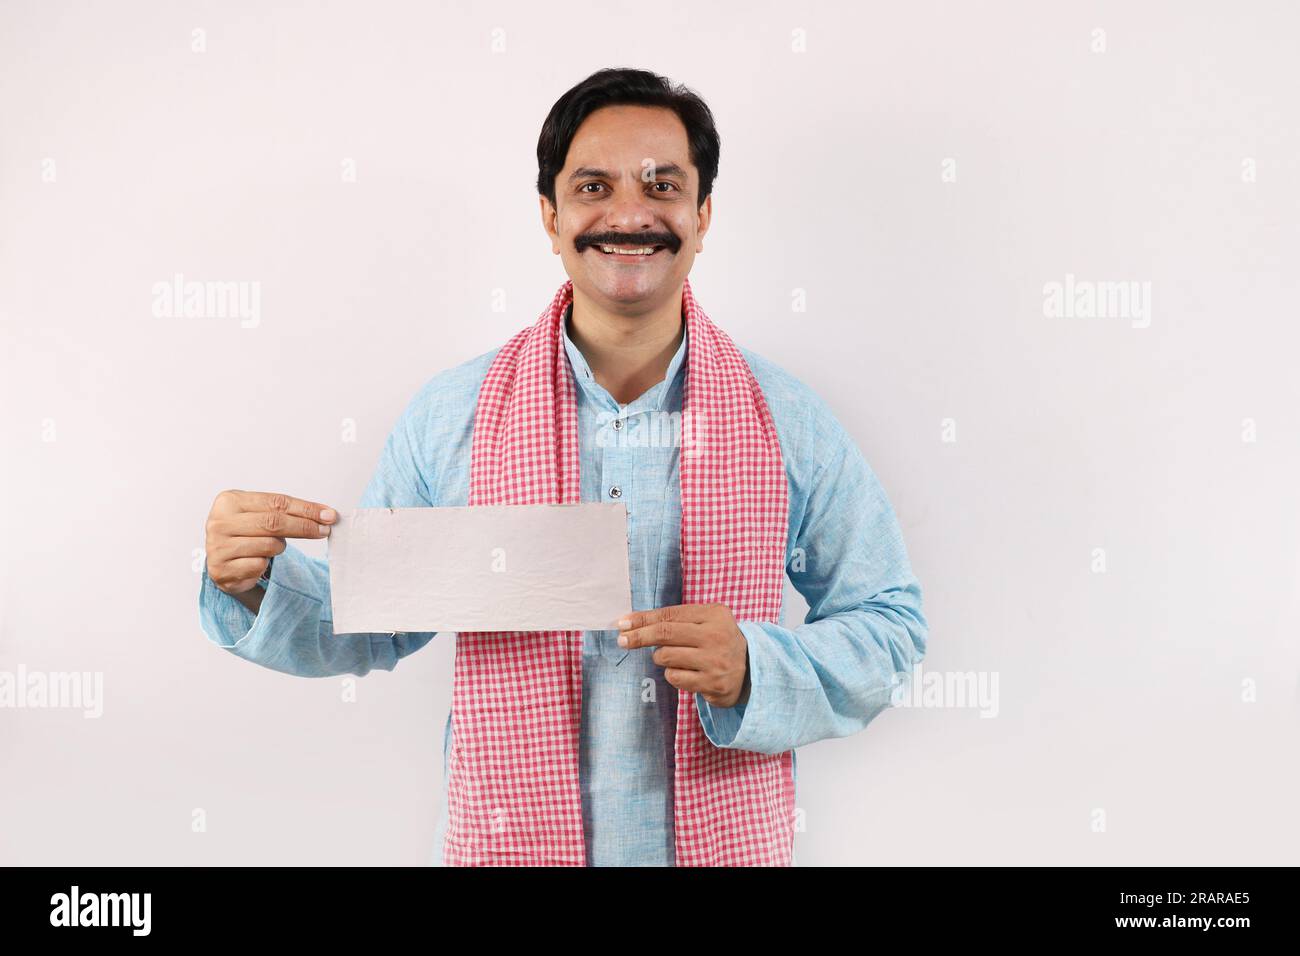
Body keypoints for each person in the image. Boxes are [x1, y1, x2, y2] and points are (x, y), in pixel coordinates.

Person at [199, 67, 928, 866]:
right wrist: (252, 581)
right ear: (551, 216)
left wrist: (759, 664)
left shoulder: (787, 419)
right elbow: (370, 620)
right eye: (592, 186)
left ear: (702, 214)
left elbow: (889, 626)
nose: (629, 213)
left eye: (662, 184)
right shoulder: (453, 416)